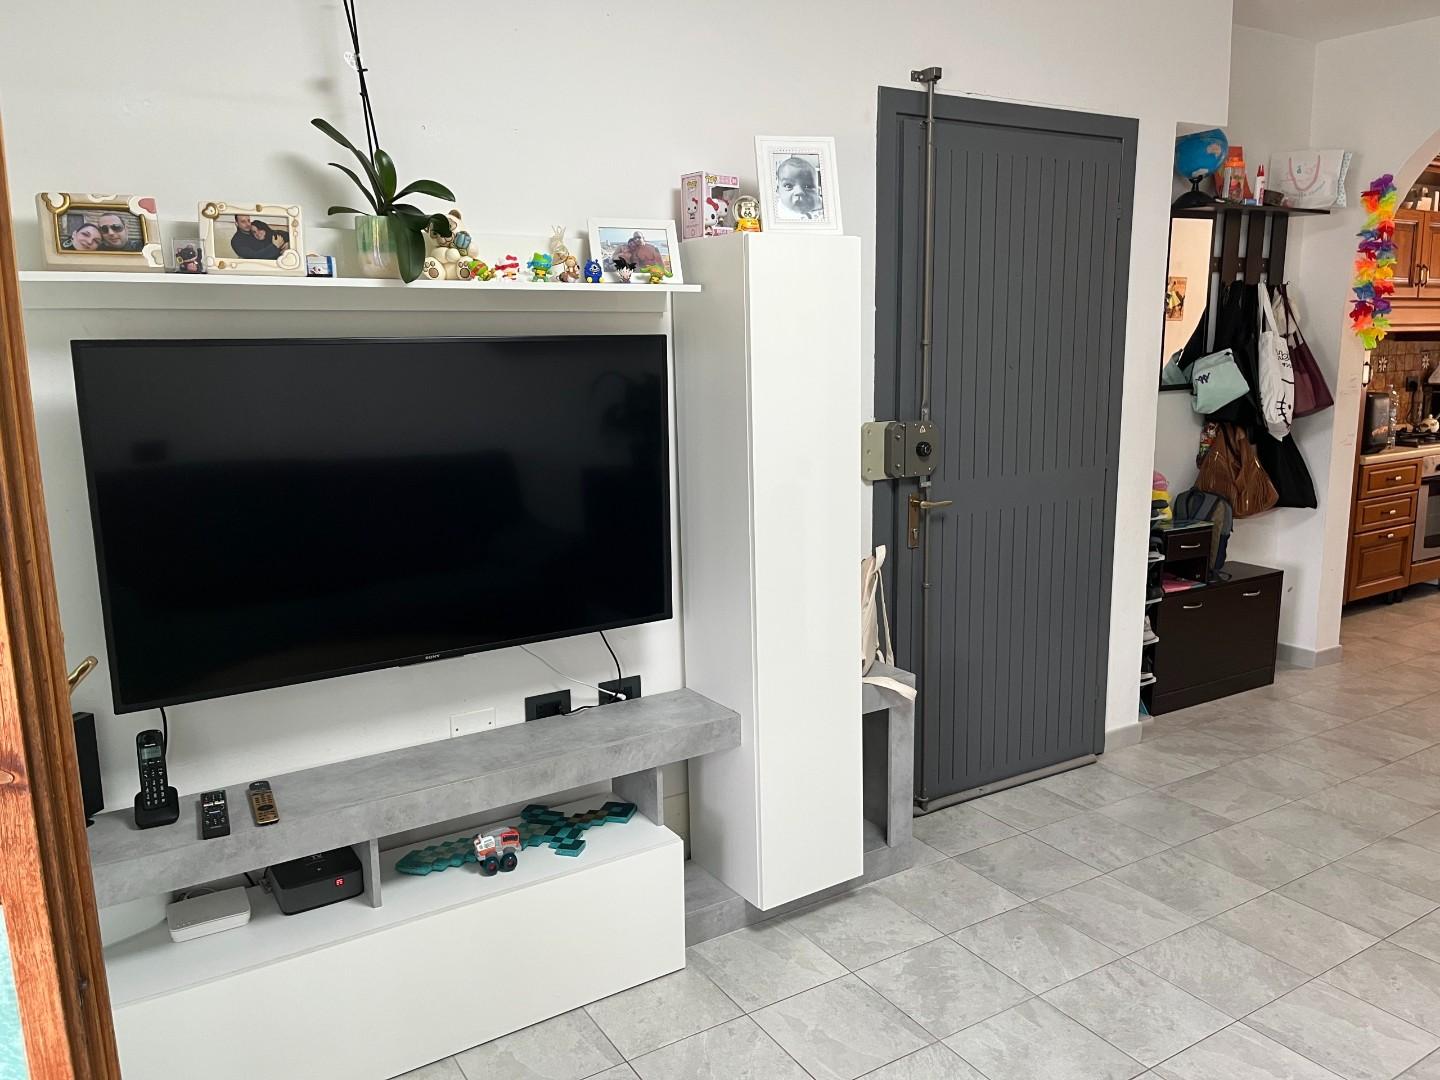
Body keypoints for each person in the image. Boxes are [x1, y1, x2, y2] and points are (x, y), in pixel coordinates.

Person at [774, 155, 824, 220]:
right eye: (788, 186)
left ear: (818, 192)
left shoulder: (826, 210)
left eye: (808, 186)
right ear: (778, 190)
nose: (799, 192)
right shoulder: (777, 213)